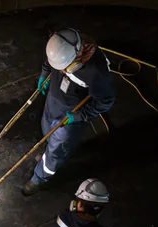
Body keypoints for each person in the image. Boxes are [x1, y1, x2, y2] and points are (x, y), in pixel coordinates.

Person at [22, 28, 115, 196]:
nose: (62, 70)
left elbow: (105, 101)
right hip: (54, 100)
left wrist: (79, 116)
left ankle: (39, 178)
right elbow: (50, 60)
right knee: (47, 131)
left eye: (64, 67)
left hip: (70, 113)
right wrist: (44, 73)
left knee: (57, 150)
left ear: (76, 57)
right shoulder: (61, 44)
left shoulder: (96, 72)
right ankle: (46, 155)